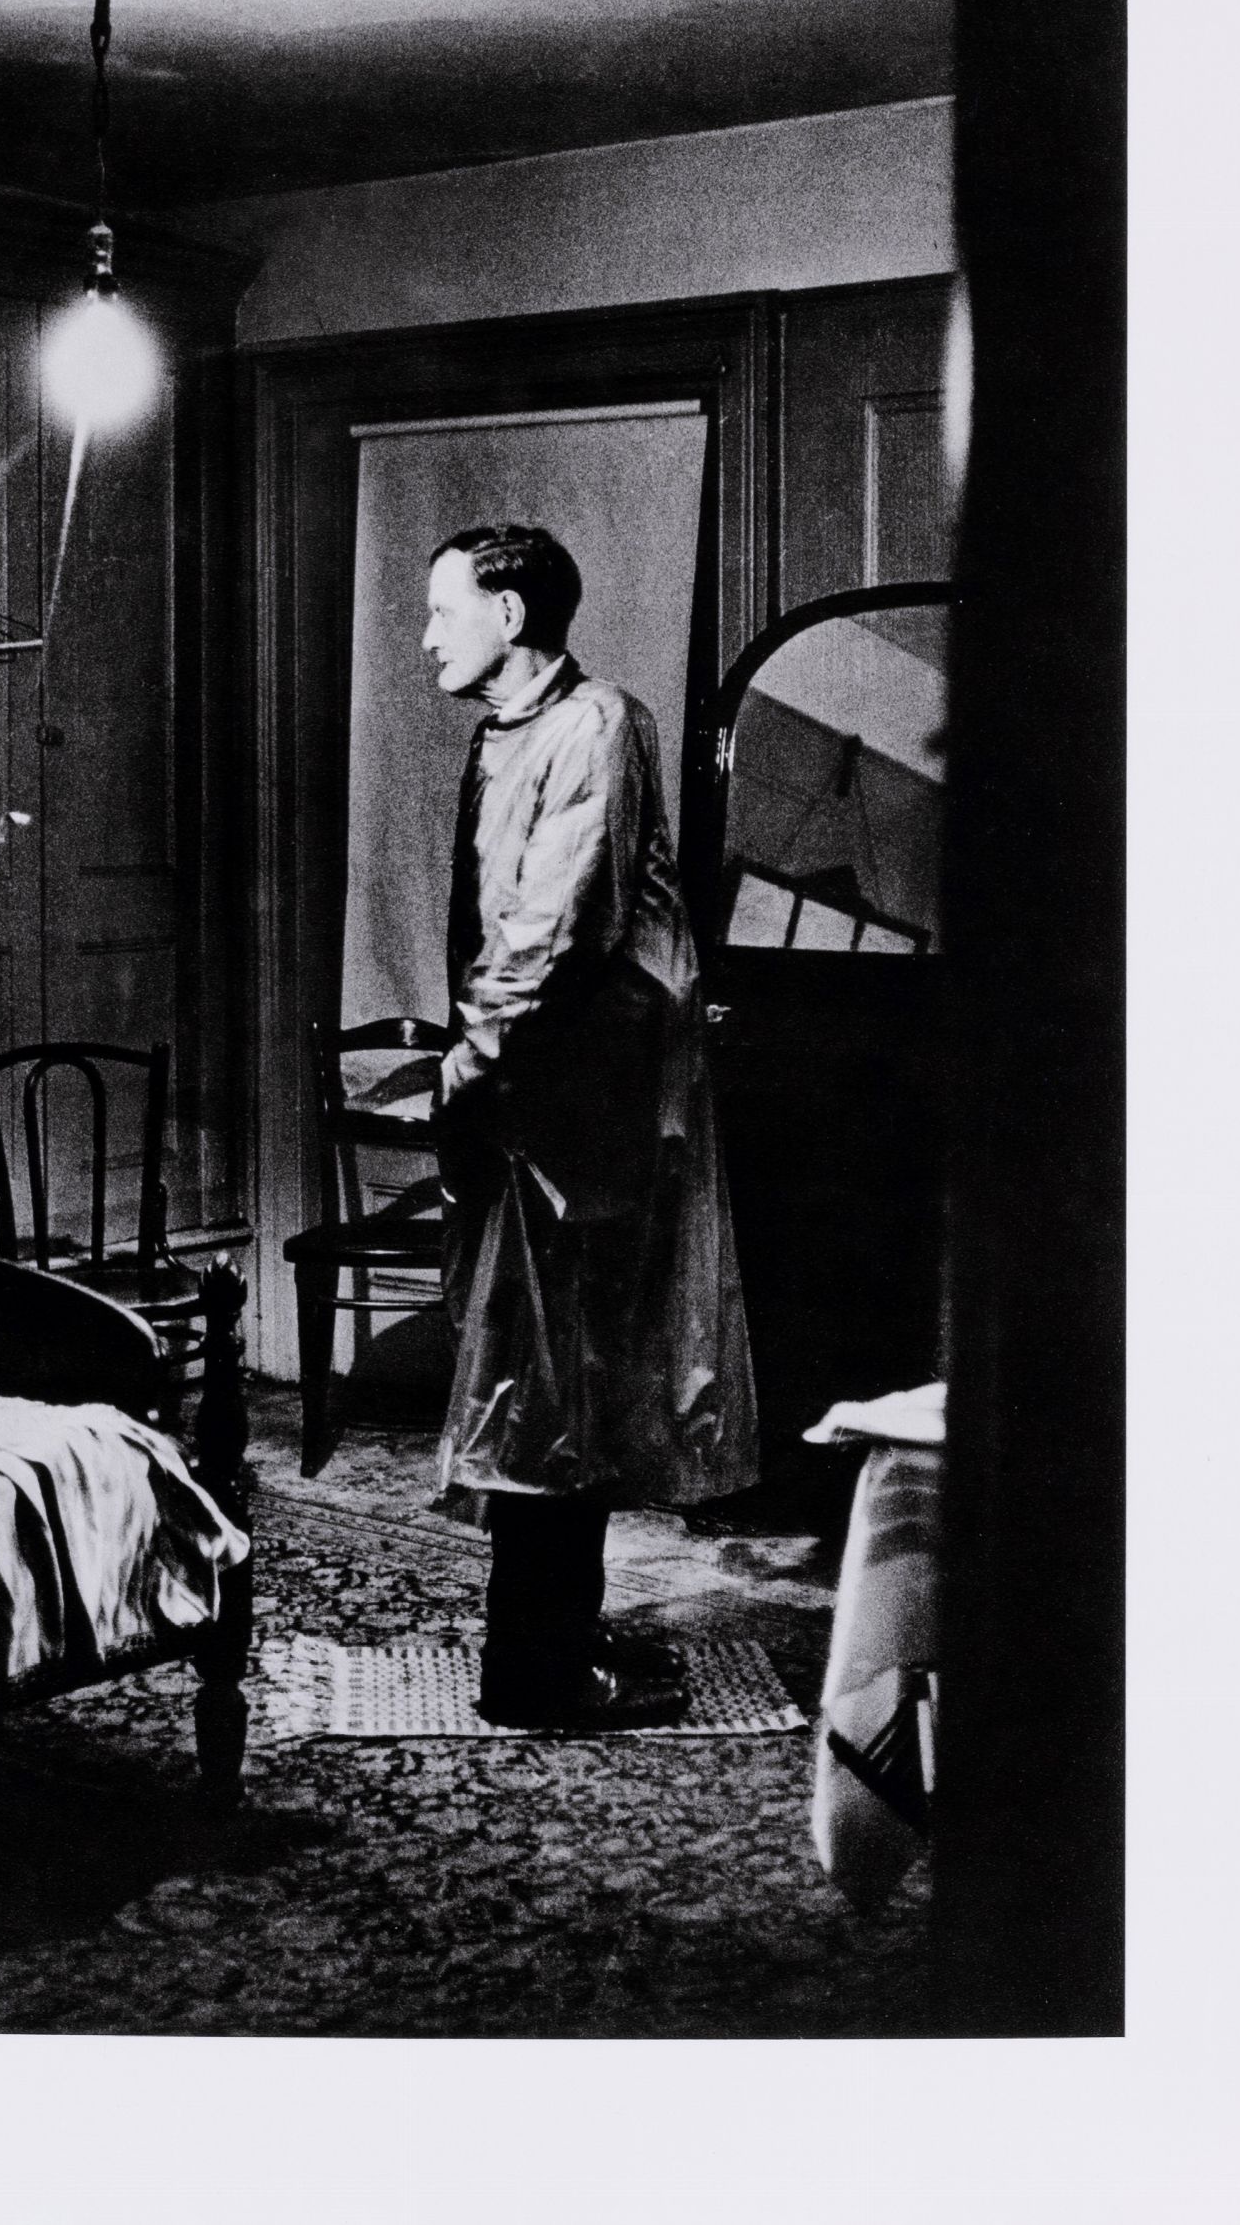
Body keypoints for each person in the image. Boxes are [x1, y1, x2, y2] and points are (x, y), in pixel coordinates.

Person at [422, 522, 759, 1728]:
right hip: (533, 1104)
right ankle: (538, 1666)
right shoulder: (510, 733)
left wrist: (466, 1065)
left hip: (580, 1111)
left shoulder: (600, 723)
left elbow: (554, 931)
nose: (428, 639)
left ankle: (549, 1658)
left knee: (568, 1385)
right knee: (539, 1387)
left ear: (510, 615)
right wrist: (477, 1073)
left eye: (444, 612)